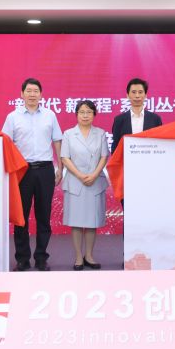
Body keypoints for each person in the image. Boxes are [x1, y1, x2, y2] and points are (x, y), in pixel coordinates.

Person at [2, 78, 63, 272]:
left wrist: (60, 167)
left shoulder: (50, 115)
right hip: (22, 170)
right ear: (22, 94)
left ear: (41, 94)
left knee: (43, 216)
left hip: (45, 169)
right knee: (21, 217)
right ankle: (22, 258)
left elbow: (57, 141)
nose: (32, 94)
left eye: (36, 91)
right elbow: (6, 144)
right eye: (28, 91)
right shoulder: (12, 117)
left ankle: (41, 257)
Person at [60, 100, 110, 271]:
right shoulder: (68, 134)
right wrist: (80, 175)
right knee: (76, 221)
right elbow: (65, 158)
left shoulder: (100, 133)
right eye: (82, 112)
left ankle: (89, 255)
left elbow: (104, 156)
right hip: (75, 181)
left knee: (91, 221)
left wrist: (94, 174)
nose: (85, 115)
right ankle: (78, 257)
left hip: (95, 181)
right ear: (76, 114)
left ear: (94, 115)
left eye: (89, 112)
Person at [111, 77, 163, 155]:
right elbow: (115, 146)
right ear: (127, 95)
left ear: (145, 95)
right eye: (134, 92)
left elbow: (160, 143)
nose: (137, 96)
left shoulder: (155, 119)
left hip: (150, 159)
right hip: (126, 161)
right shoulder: (119, 120)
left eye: (140, 92)